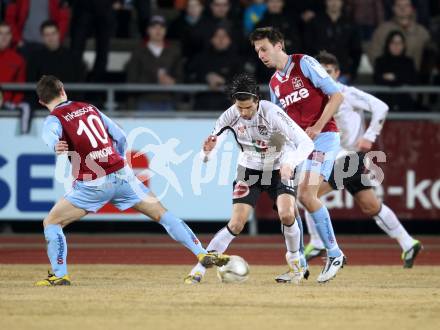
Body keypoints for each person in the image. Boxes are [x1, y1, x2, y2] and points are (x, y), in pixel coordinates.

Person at [34, 75, 229, 286]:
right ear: (63, 89)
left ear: (42, 102)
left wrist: (55, 145)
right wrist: (114, 160)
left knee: (52, 222)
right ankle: (201, 253)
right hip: (123, 175)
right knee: (163, 215)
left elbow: (50, 134)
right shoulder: (89, 108)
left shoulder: (54, 118)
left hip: (93, 184)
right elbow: (120, 135)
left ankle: (60, 274)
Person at [184, 73, 314, 284]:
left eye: (248, 108)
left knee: (287, 214)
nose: (244, 112)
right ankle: (198, 270)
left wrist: (290, 164)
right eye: (239, 107)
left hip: (280, 167)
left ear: (257, 99)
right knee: (236, 224)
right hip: (249, 170)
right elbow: (210, 150)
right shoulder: (229, 116)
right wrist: (206, 153)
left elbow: (306, 143)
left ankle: (296, 261)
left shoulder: (272, 113)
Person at [302, 51, 422, 269]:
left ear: (337, 73)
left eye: (329, 71)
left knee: (309, 193)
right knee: (370, 205)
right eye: (321, 71)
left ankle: (318, 242)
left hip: (350, 157)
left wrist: (369, 136)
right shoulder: (314, 97)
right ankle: (409, 243)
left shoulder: (346, 93)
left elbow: (381, 107)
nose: (325, 75)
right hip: (334, 157)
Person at [250, 27, 346, 283]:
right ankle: (298, 266)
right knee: (288, 203)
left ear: (279, 45)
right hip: (298, 146)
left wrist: (316, 126)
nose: (260, 55)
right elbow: (279, 123)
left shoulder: (304, 63)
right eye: (257, 51)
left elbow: (337, 96)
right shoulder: (274, 84)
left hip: (324, 137)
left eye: (264, 49)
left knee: (306, 194)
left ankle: (335, 254)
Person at [126, 15, 182, 111]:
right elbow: (131, 79)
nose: (158, 30)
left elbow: (181, 76)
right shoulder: (138, 51)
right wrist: (154, 80)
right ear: (148, 30)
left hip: (167, 100)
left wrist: (173, 81)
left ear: (165, 30)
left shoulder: (174, 51)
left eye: (161, 27)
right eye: (154, 27)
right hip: (144, 100)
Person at [368, 0, 430, 71]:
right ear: (393, 8)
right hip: (389, 78)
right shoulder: (382, 30)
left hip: (416, 78)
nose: (402, 8)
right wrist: (384, 73)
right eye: (399, 5)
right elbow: (374, 55)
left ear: (412, 8)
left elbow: (429, 59)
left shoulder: (422, 32)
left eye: (406, 5)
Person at [373, 30, 417, 111]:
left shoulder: (408, 62)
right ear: (388, 44)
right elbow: (376, 79)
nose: (396, 46)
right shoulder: (380, 61)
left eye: (399, 43)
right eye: (393, 42)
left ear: (404, 45)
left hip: (404, 104)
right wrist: (400, 78)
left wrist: (393, 77)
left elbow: (412, 79)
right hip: (383, 104)